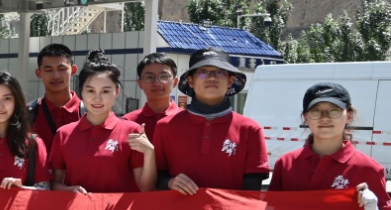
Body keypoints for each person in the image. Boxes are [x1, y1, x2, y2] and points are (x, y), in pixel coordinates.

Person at [153, 48, 268, 193]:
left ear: (230, 81)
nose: (212, 78)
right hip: (178, 208)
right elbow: (154, 178)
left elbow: (251, 193)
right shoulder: (166, 126)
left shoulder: (250, 130)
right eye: (203, 71)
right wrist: (169, 183)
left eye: (220, 72)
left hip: (230, 209)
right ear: (190, 80)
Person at [49, 62, 156, 193]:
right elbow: (54, 184)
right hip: (77, 206)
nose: (97, 98)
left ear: (117, 91)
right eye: (90, 91)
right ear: (81, 91)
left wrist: (150, 153)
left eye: (105, 91)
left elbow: (146, 188)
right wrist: (69, 190)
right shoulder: (63, 134)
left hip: (118, 207)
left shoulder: (132, 131)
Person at [30, 43, 82, 150]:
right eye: (48, 70)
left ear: (73, 70)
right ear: (39, 73)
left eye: (61, 69)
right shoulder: (27, 114)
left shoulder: (89, 113)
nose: (56, 76)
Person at [124, 53, 181, 141]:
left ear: (175, 82)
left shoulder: (188, 120)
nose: (157, 83)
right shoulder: (127, 122)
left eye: (164, 76)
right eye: (150, 77)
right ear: (140, 83)